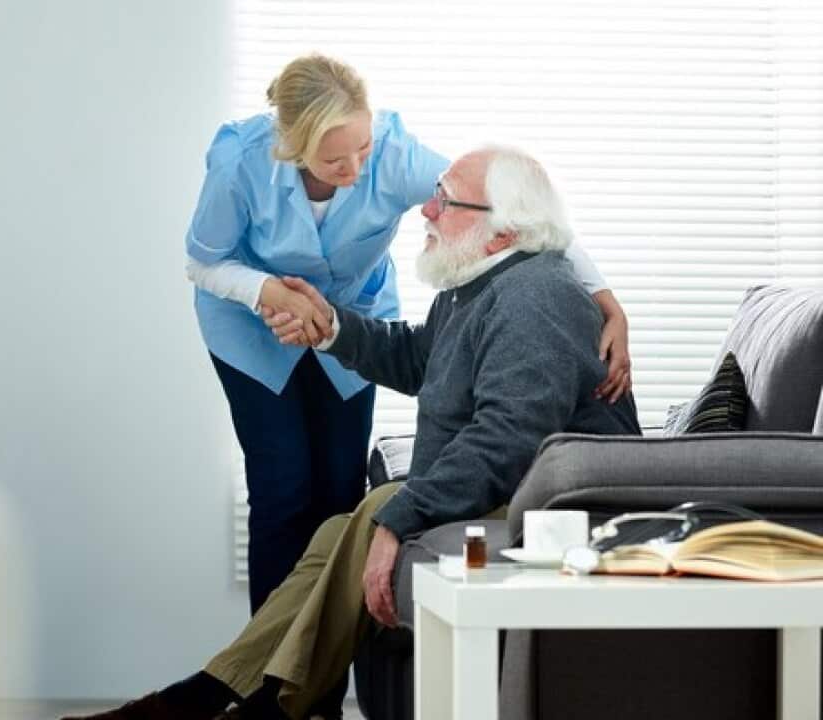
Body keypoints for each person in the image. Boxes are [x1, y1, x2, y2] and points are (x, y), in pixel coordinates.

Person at [71, 145, 641, 720]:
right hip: (513, 492)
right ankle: (228, 696)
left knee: (378, 507)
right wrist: (331, 326)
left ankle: (222, 703)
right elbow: (418, 359)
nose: (426, 211)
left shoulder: (534, 298)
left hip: (549, 510)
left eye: (445, 200)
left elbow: (507, 439)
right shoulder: (481, 285)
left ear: (502, 232)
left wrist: (401, 517)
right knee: (336, 533)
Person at [185, 54, 632, 624]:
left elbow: (518, 211)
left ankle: (312, 699)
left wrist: (606, 300)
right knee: (281, 489)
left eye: (362, 151)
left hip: (347, 318)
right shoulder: (239, 165)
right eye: (333, 158)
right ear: (293, 148)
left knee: (338, 494)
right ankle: (264, 696)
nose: (354, 168)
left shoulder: (398, 162)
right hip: (250, 325)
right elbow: (204, 262)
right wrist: (267, 292)